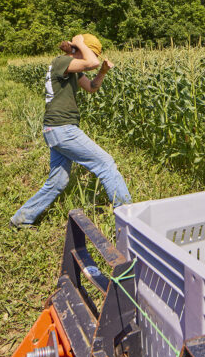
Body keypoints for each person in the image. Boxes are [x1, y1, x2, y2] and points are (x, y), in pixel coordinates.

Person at [11, 33, 132, 227]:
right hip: (62, 128)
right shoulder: (62, 61)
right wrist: (79, 43)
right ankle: (130, 218)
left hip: (56, 129)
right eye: (90, 52)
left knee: (57, 182)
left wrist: (102, 72)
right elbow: (90, 62)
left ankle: (21, 219)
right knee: (106, 164)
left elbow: (92, 87)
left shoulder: (73, 69)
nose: (91, 57)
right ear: (80, 49)